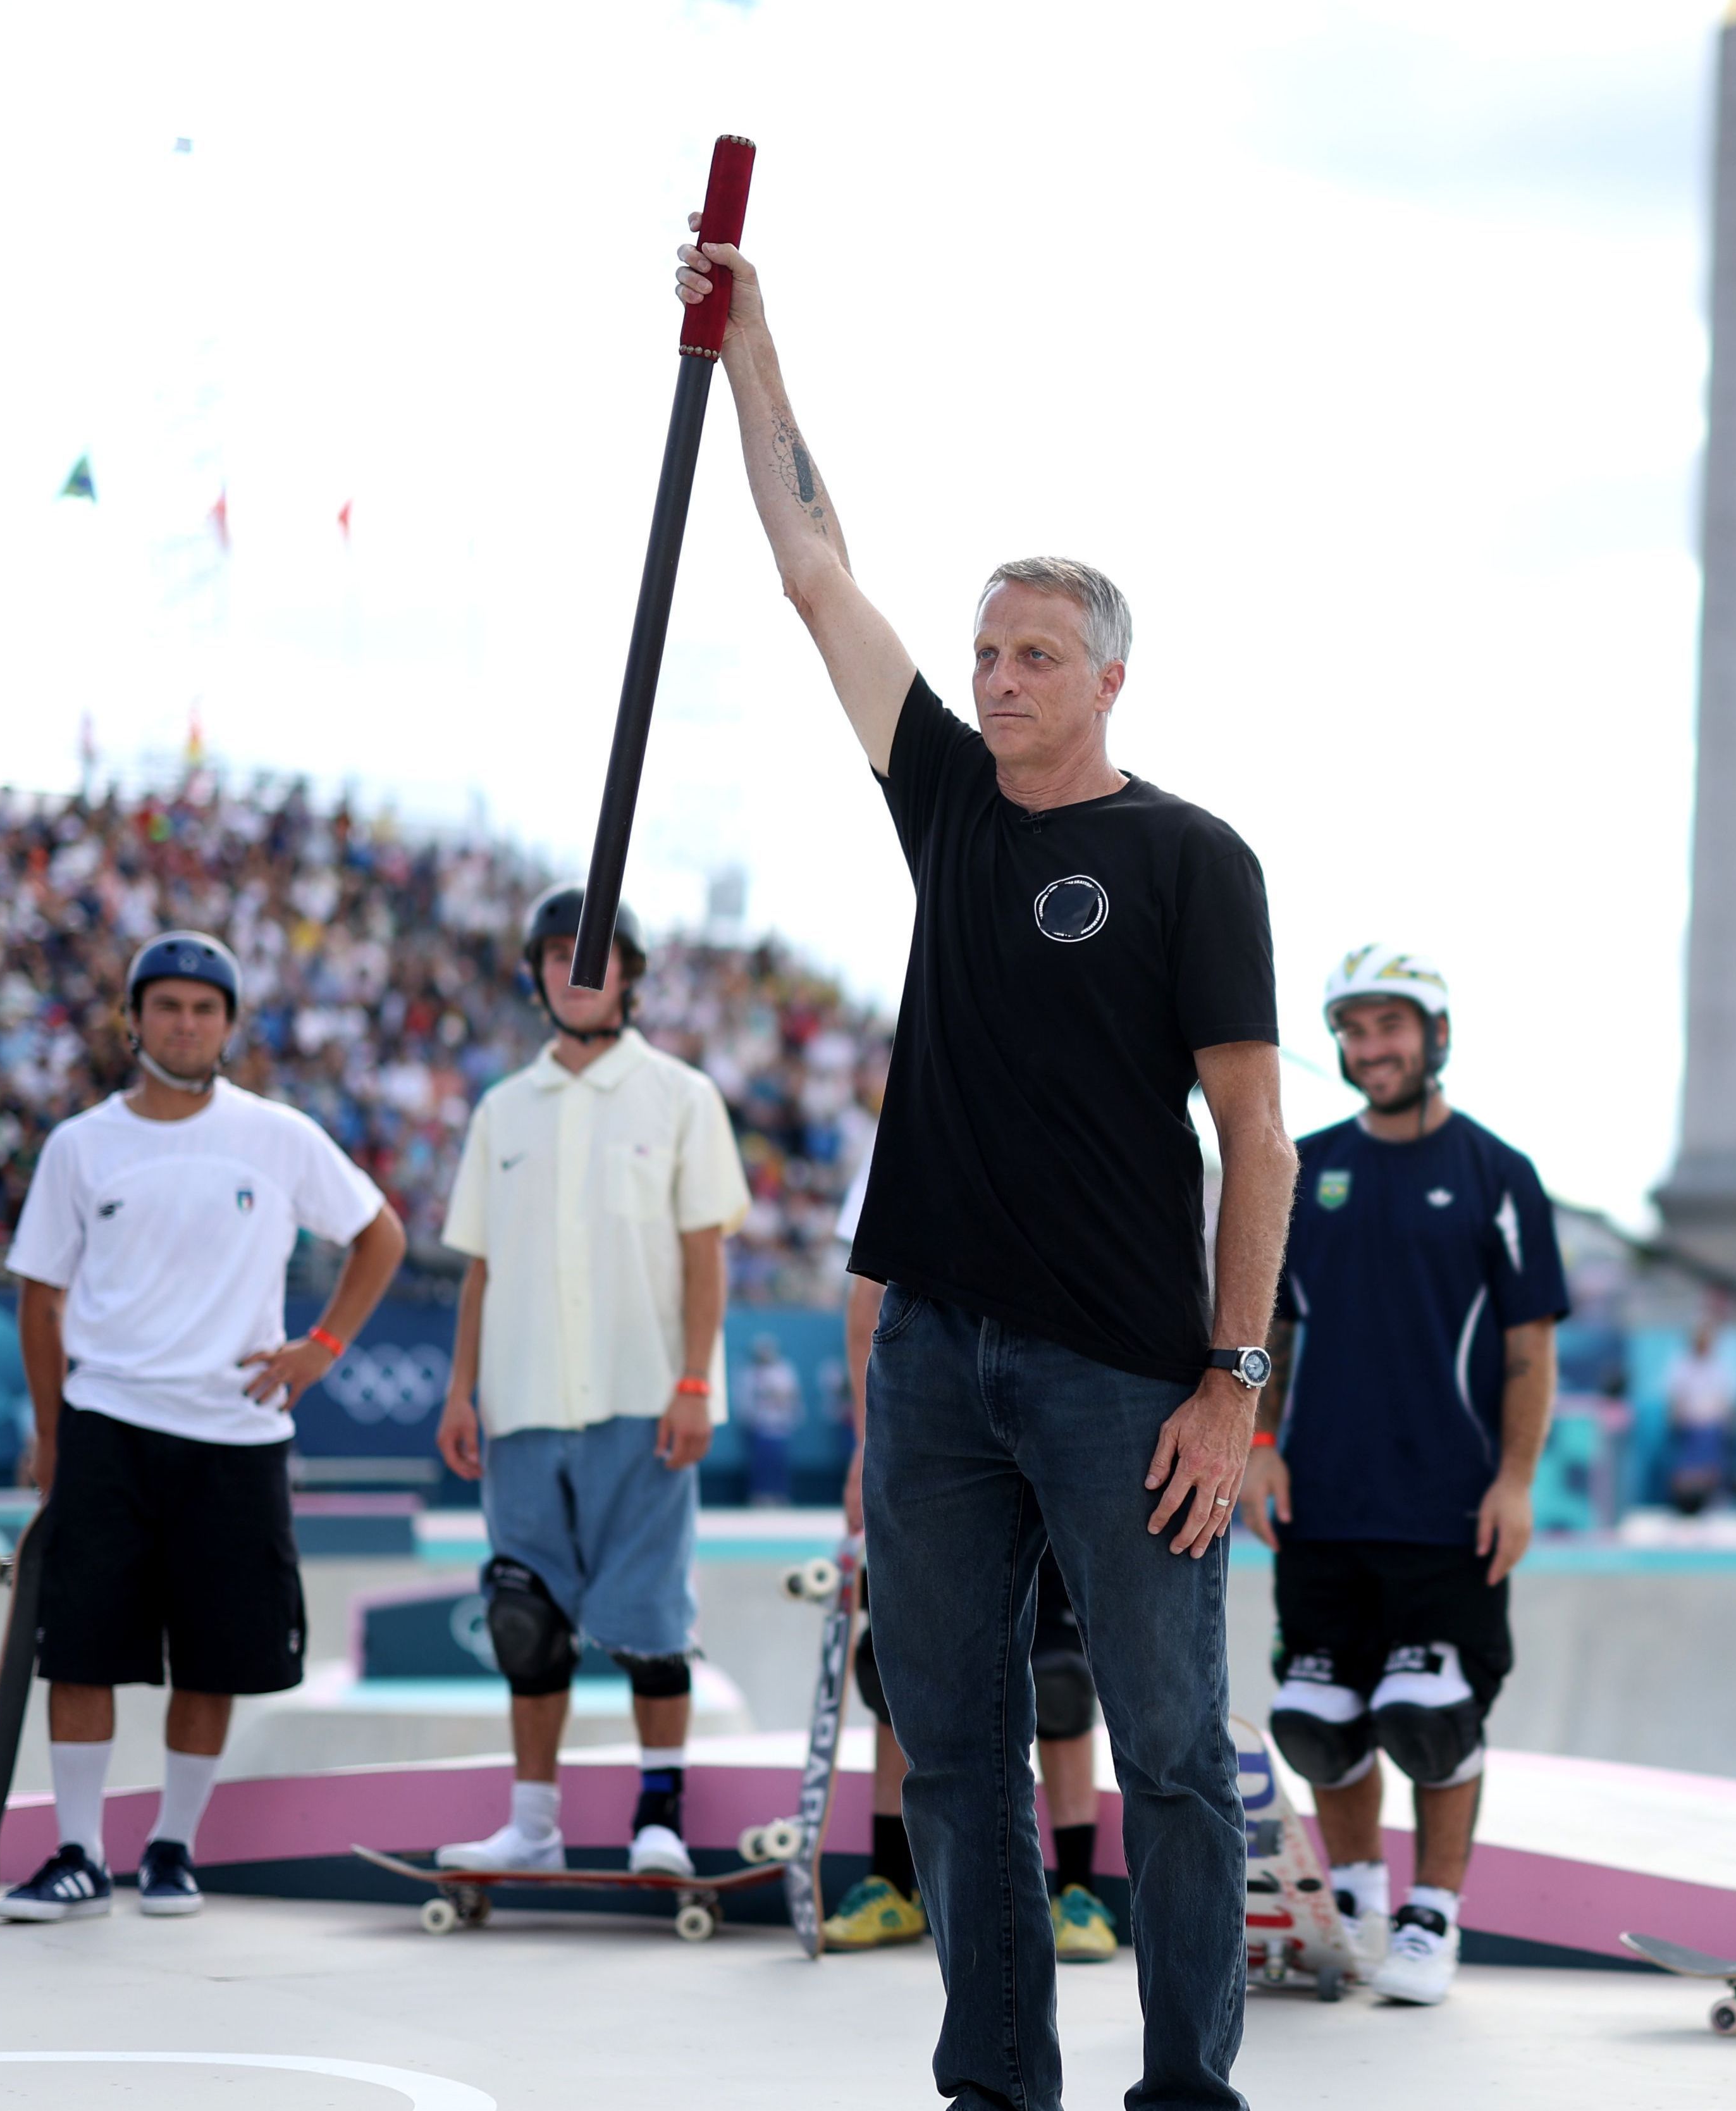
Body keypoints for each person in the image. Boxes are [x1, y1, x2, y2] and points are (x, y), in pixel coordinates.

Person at [681, 232, 1295, 2111]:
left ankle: (1186, 2085)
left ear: (1111, 672)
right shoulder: (944, 797)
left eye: (1037, 653)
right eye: (985, 650)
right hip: (935, 1353)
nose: (999, 674)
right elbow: (809, 565)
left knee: (1175, 1748)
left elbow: (1254, 1135)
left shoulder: (1195, 857)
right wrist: (747, 344)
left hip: (1127, 1369)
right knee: (949, 1742)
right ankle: (996, 2081)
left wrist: (1231, 1379)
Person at [0, 932, 407, 1921]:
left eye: (204, 1008)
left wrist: (325, 1347)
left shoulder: (277, 1134)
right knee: (83, 1649)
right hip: (110, 1423)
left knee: (214, 1654)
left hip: (236, 1433)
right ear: (132, 1019)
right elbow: (39, 1299)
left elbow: (380, 1235)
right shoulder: (82, 1144)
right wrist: (52, 1434)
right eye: (167, 1006)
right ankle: (80, 1852)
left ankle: (173, 1846)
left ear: (229, 1025)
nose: (185, 1024)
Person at [1243, 946, 1568, 2005]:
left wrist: (1516, 1479)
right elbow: (1269, 1325)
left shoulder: (1496, 1174)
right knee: (1315, 1716)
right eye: (1351, 1028)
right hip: (1323, 1504)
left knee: (1432, 1712)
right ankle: (1351, 1903)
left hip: (1448, 1509)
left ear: (1433, 1035)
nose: (1367, 1048)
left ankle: (1434, 1918)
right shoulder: (1304, 1168)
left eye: (1388, 1026)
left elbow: (1529, 1346)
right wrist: (1256, 1445)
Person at [429, 891, 746, 1879]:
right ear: (535, 975)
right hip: (521, 1403)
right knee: (525, 1620)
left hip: (643, 1399)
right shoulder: (502, 1109)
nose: (578, 972)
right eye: (559, 956)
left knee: (651, 1623)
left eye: (596, 956)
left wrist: (695, 1380)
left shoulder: (682, 1096)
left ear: (633, 976)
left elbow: (706, 1253)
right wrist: (460, 1390)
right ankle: (532, 1822)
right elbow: (478, 1265)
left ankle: (661, 1815)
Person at [826, 1161, 1125, 1967]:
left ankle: (1075, 1888)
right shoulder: (920, 1115)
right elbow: (868, 1297)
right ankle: (895, 1882)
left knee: (1061, 1674)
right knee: (900, 1667)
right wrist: (869, 1442)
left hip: (1067, 1422)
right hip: (940, 1428)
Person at [1661, 1320, 1736, 1518]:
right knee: (1688, 1467)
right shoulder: (1682, 1366)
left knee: (1713, 1461)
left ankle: (1713, 1501)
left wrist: (1728, 1423)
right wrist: (1679, 1420)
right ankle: (1685, 1505)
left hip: (1712, 1427)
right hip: (1690, 1427)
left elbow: (1726, 1401)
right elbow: (1676, 1400)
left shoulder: (1718, 1367)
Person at [739, 1336, 803, 1508]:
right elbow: (745, 1402)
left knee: (779, 1463)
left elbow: (791, 1396)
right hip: (761, 1426)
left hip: (780, 1426)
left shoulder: (784, 1370)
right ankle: (759, 1495)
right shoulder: (750, 1373)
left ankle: (780, 1494)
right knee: (761, 1463)